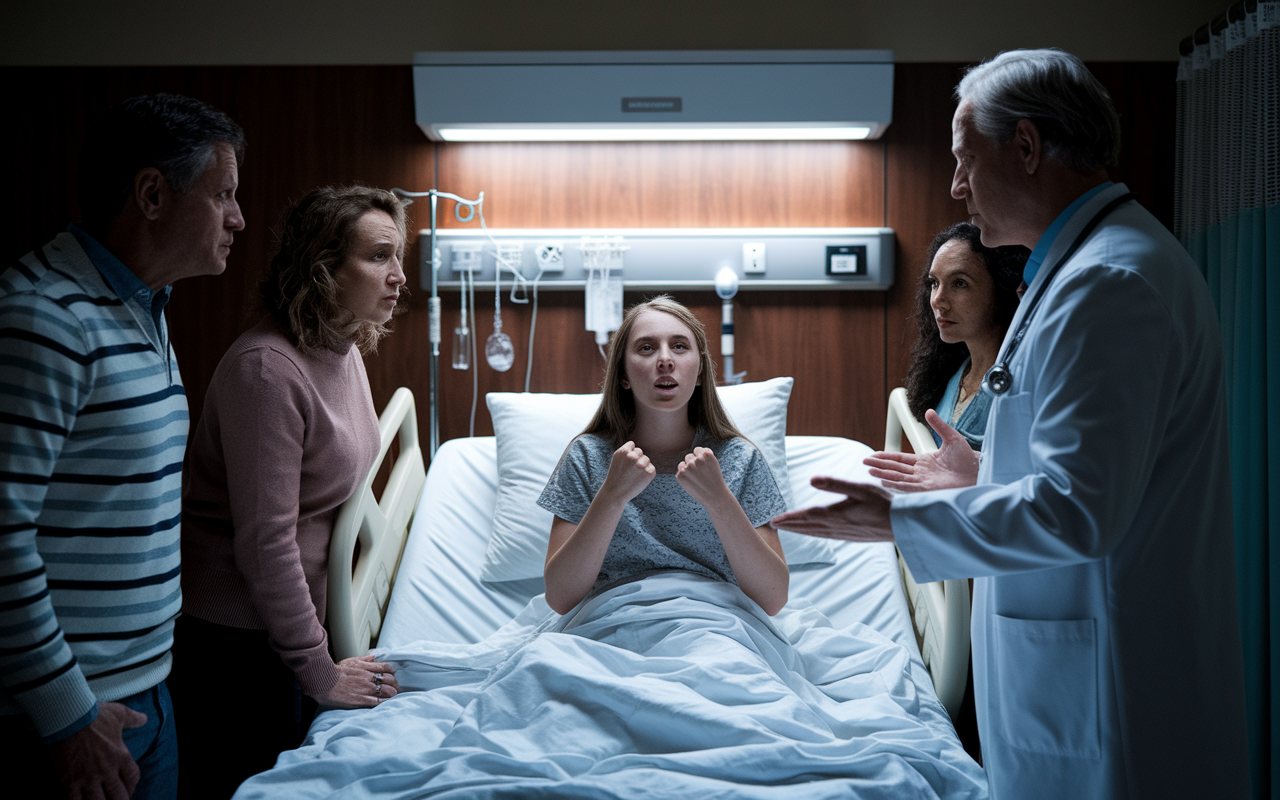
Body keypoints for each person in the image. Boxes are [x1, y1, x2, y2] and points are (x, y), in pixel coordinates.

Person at [773, 48, 1251, 798]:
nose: (957, 186)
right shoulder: (1075, 271)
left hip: (1108, 692)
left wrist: (901, 524)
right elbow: (1089, 460)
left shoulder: (1110, 285)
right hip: (1072, 672)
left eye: (966, 160)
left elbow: (1079, 509)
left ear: (1026, 148)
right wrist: (984, 468)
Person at [0, 93, 246, 800]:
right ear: (151, 194)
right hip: (65, 716)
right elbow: (3, 537)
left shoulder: (142, 308)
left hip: (143, 693)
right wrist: (68, 718)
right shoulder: (45, 319)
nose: (238, 218)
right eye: (224, 194)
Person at [173, 185, 408, 797]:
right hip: (235, 638)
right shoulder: (268, 372)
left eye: (400, 257)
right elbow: (266, 543)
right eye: (379, 257)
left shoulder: (341, 345)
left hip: (292, 621)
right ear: (324, 268)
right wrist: (319, 669)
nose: (398, 277)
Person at [540, 296, 789, 617]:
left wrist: (719, 500)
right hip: (610, 625)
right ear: (623, 375)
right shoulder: (587, 457)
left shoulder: (740, 459)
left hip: (716, 625)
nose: (665, 360)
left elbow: (773, 599)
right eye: (646, 348)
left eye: (680, 346)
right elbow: (560, 598)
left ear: (699, 371)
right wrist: (611, 496)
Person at [902, 222, 1025, 451]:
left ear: (1002, 290)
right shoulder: (951, 371)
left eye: (959, 283)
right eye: (934, 283)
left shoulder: (1020, 385)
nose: (937, 300)